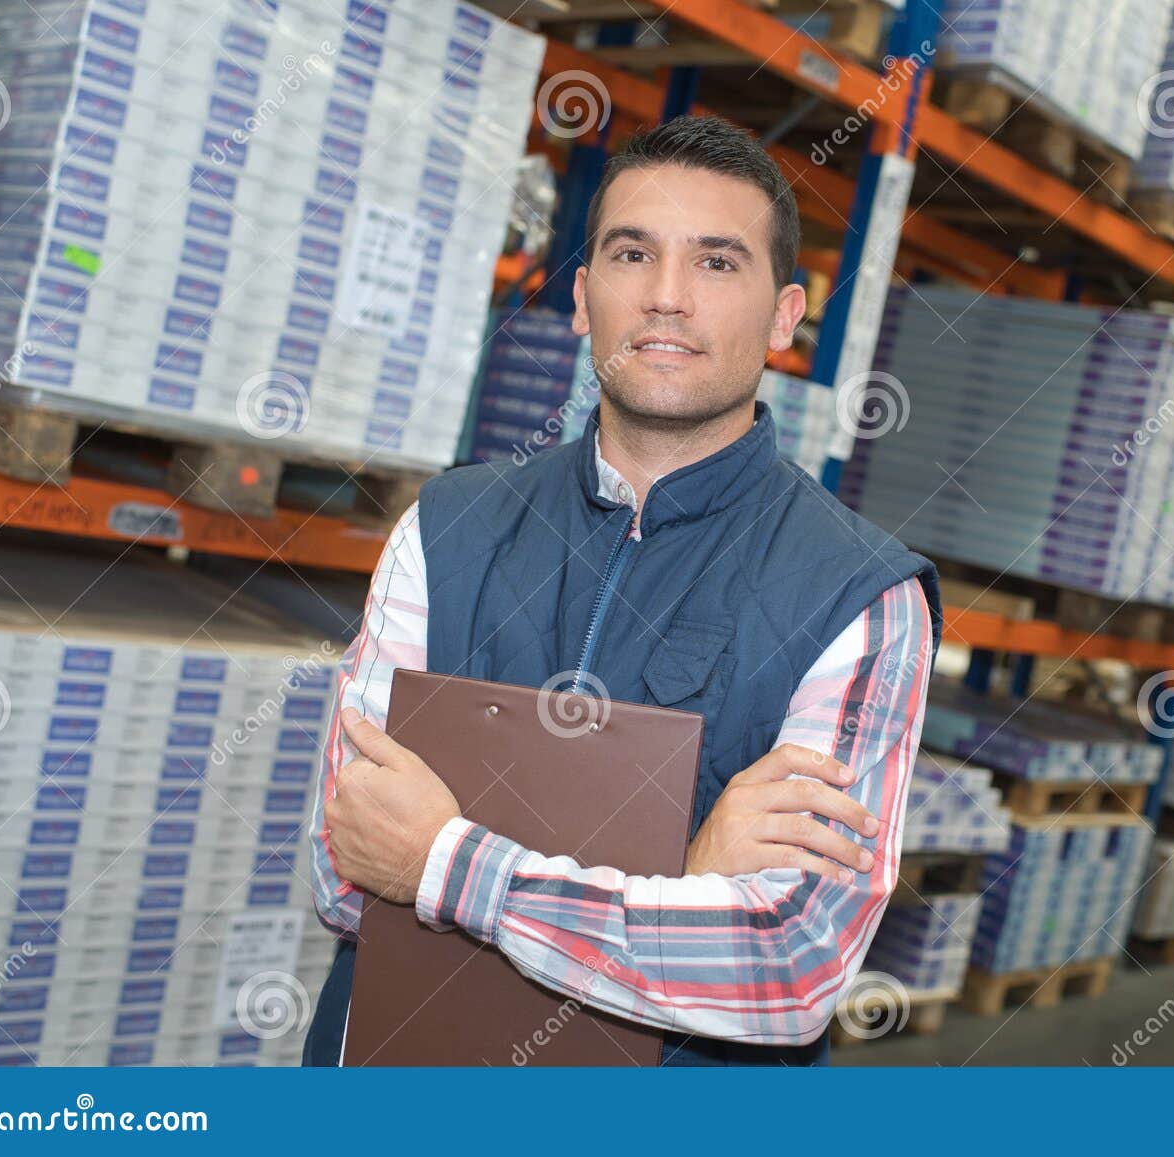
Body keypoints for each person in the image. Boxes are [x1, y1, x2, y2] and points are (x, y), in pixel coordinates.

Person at [305, 114, 943, 1066]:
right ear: (581, 295)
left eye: (719, 263)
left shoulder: (861, 598)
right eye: (633, 253)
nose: (668, 298)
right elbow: (343, 863)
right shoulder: (443, 531)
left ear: (784, 316)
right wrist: (685, 879)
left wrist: (441, 863)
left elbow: (787, 966)